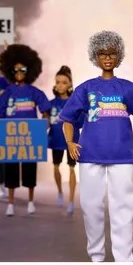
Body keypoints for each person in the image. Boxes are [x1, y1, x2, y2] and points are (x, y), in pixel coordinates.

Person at [65, 32, 133, 265]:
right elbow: (68, 118)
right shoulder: (86, 88)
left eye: (112, 54)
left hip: (122, 156)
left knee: (122, 207)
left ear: (118, 56)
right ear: (95, 56)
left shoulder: (129, 89)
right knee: (91, 208)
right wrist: (70, 142)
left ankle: (124, 260)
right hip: (89, 154)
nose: (107, 58)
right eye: (102, 54)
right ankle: (97, 258)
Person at [0, 45, 50, 229]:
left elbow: (45, 109)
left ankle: (30, 201)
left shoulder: (34, 92)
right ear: (11, 71)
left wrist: (46, 121)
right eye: (16, 70)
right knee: (11, 171)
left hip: (30, 140)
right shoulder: (8, 92)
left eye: (23, 69)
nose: (19, 72)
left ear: (29, 71)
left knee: (29, 171)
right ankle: (10, 203)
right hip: (11, 140)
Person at [47, 63, 79, 206]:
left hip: (72, 141)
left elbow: (82, 122)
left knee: (72, 168)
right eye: (58, 82)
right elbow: (46, 123)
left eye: (64, 82)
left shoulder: (75, 103)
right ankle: (60, 191)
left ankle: (71, 200)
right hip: (56, 140)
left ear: (70, 84)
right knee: (56, 166)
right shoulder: (51, 104)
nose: (60, 85)